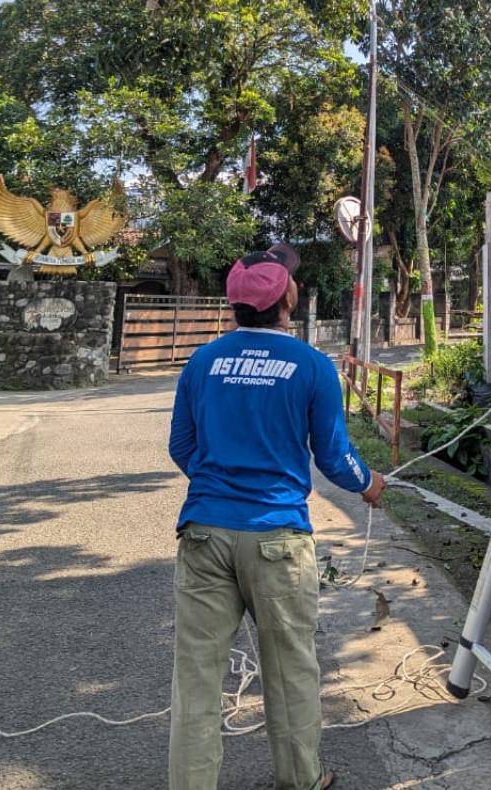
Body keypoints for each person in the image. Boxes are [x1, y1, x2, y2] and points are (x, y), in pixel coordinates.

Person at [167, 243, 386, 790]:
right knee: (290, 670)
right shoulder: (312, 366)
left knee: (197, 677)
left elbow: (181, 446)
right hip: (278, 539)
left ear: (235, 303)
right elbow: (333, 456)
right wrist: (368, 484)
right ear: (287, 298)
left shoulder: (202, 362)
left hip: (204, 533)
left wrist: (220, 482)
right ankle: (301, 779)